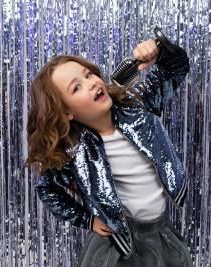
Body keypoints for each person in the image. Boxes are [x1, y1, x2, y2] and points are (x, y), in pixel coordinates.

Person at [25, 37, 193, 267]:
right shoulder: (76, 152)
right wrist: (87, 219)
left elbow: (176, 69)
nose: (91, 83)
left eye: (88, 75)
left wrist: (161, 53)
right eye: (77, 87)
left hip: (159, 231)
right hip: (119, 245)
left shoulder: (139, 106)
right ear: (66, 113)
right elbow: (48, 188)